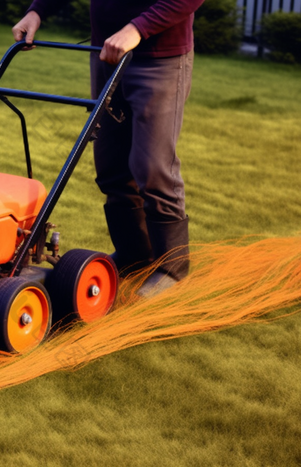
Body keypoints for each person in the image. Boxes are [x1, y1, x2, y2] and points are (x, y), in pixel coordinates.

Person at [12, 0, 204, 296]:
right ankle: (133, 256)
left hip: (158, 59)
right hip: (106, 55)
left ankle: (171, 268)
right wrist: (37, 10)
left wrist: (138, 28)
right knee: (110, 165)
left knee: (153, 167)